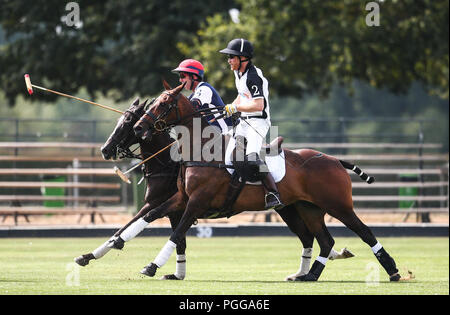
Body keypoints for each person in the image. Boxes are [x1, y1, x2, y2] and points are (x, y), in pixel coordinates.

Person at [219, 38, 284, 210]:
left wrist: (236, 107)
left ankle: (273, 193)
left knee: (252, 158)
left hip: (258, 122)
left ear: (243, 58)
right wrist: (229, 107)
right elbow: (241, 96)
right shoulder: (238, 73)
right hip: (244, 122)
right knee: (233, 156)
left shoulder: (253, 77)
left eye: (232, 57)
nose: (229, 61)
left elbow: (258, 105)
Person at [172, 59, 232, 135]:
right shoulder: (192, 96)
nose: (180, 80)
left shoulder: (204, 89)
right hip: (212, 138)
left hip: (226, 134)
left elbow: (193, 105)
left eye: (182, 76)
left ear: (194, 76)